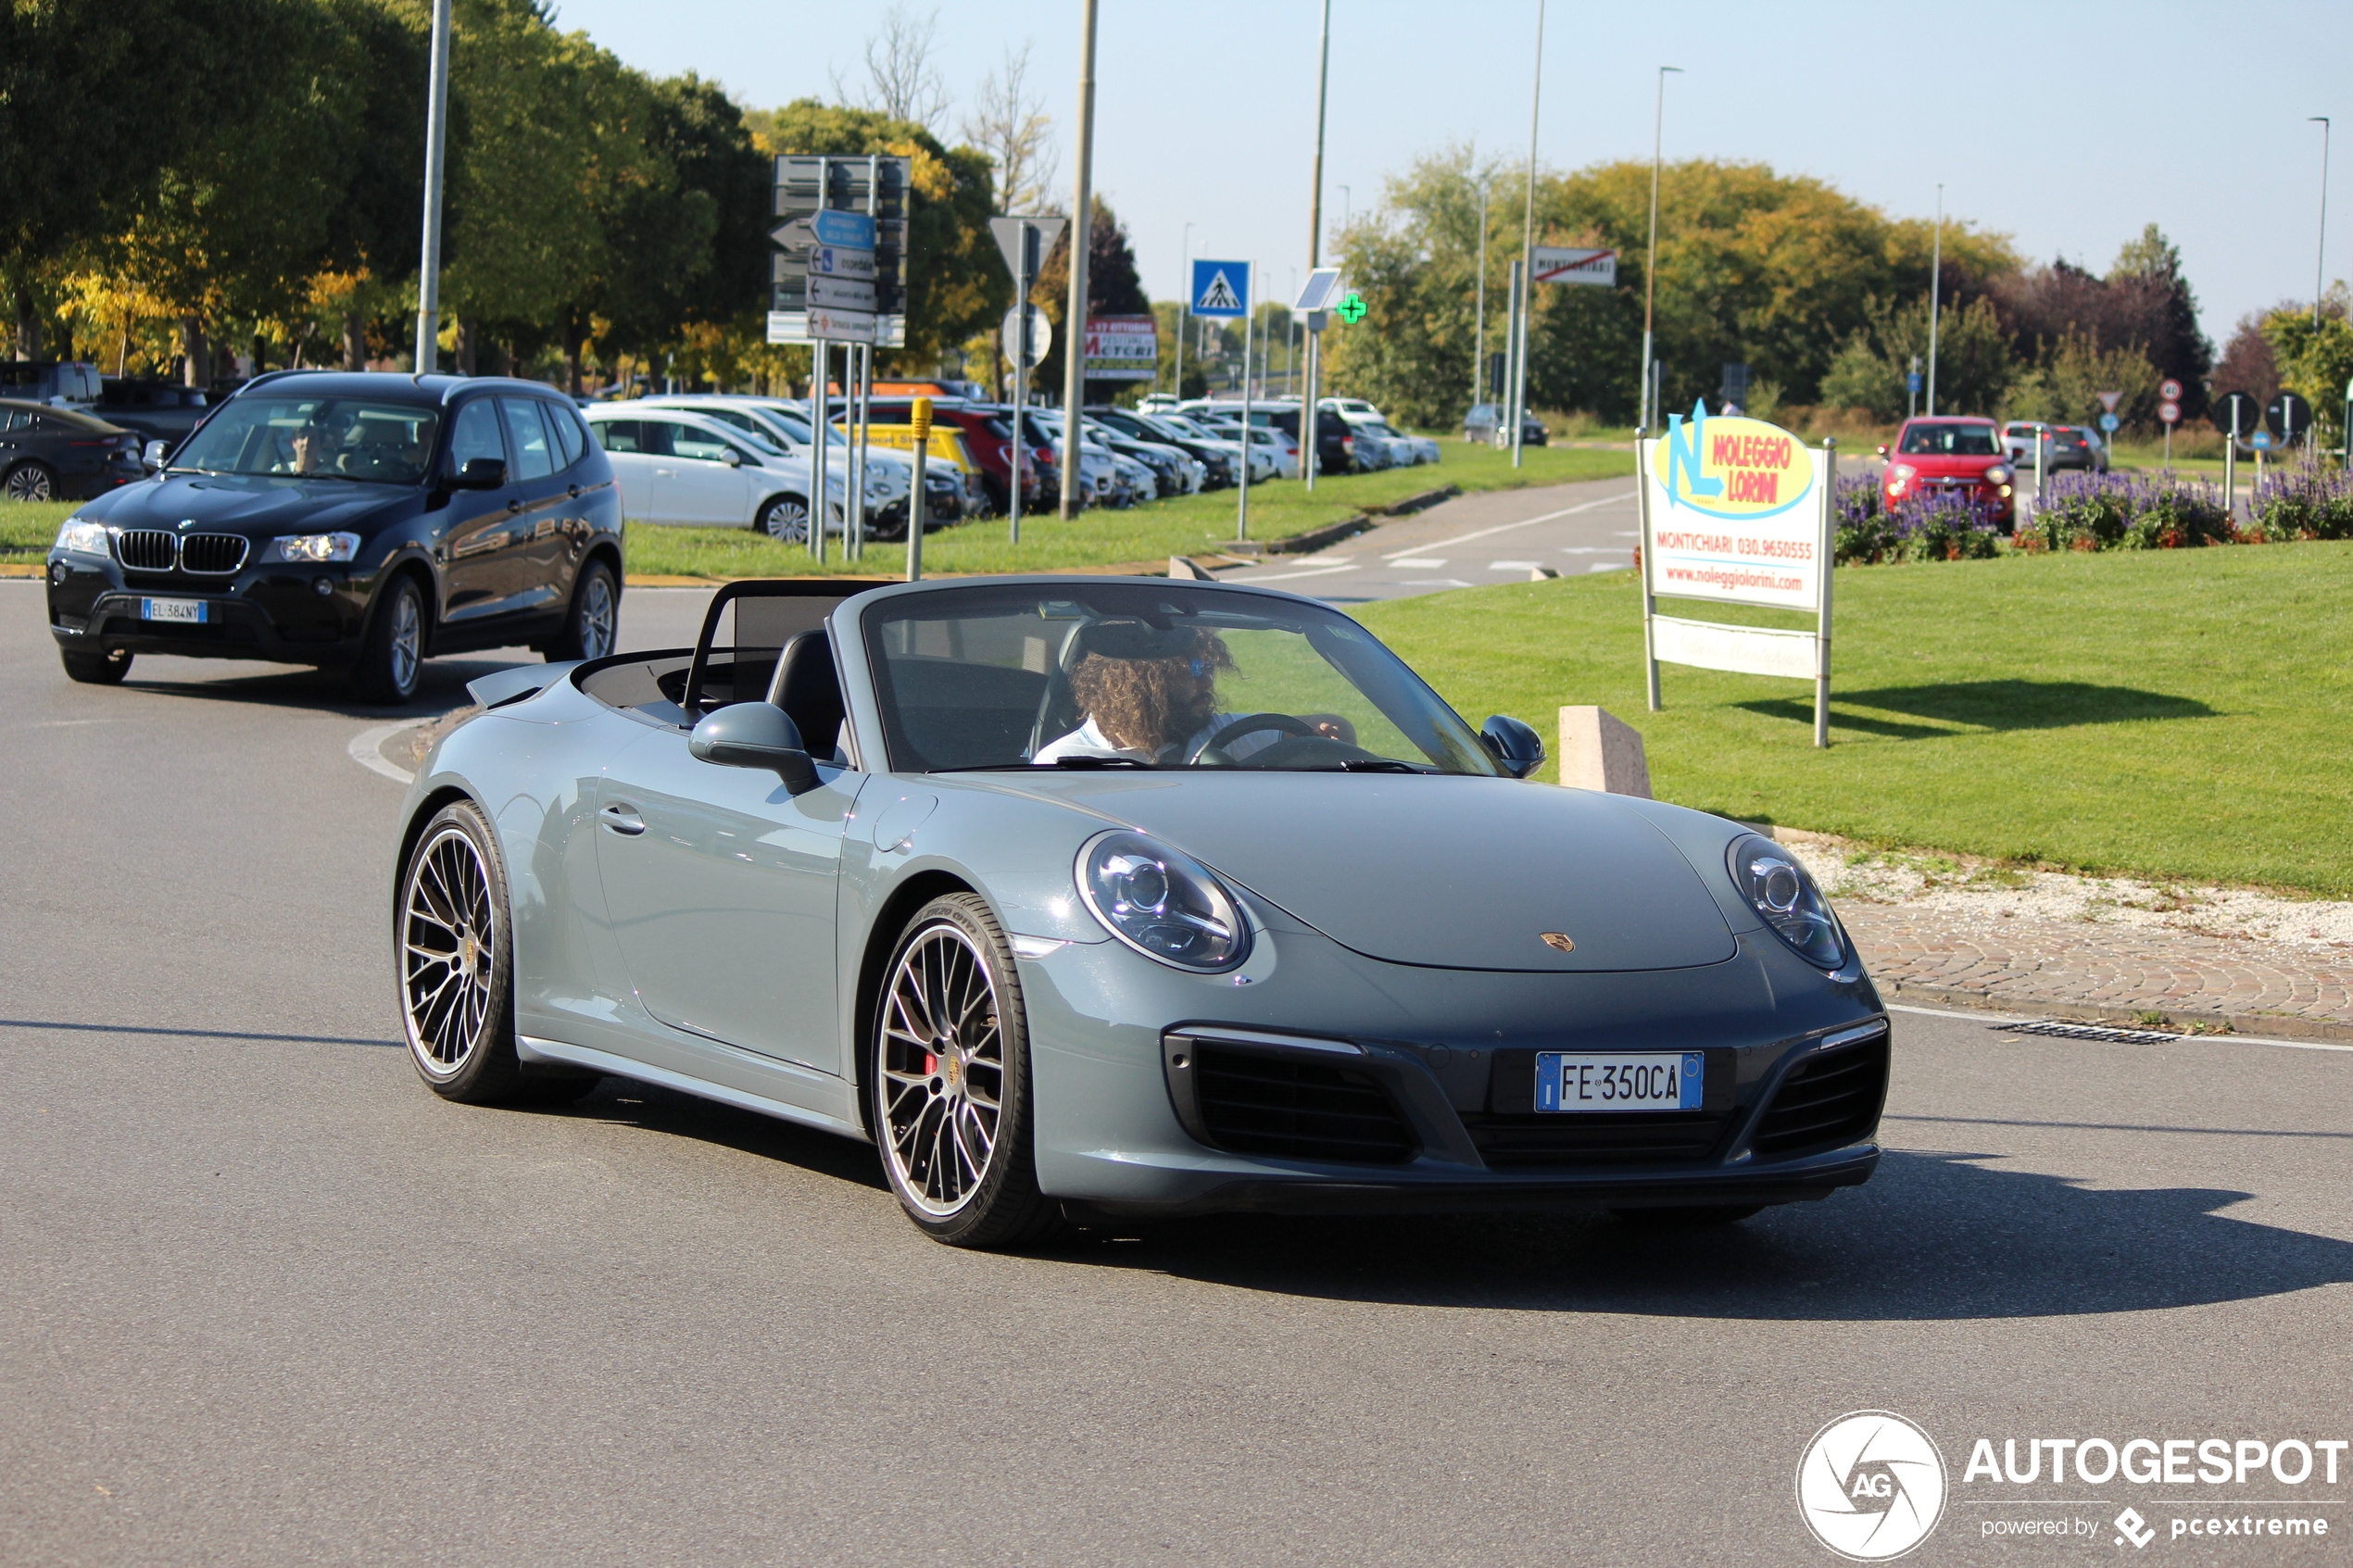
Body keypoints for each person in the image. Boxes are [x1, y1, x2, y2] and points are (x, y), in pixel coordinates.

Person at [1032, 620, 1353, 765]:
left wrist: (1323, 735)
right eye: (1195, 670)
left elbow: (1332, 725)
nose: (1207, 683)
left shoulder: (1219, 733)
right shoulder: (1060, 762)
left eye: (1209, 668)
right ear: (1141, 682)